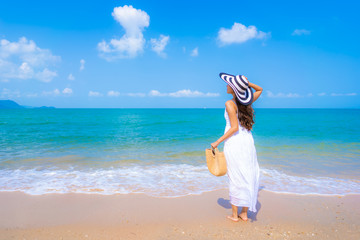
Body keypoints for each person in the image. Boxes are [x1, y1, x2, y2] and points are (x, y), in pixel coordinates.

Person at [211, 73, 263, 222]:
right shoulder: (246, 102)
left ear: (233, 89)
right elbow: (260, 89)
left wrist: (217, 142)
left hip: (235, 143)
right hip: (247, 142)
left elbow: (234, 128)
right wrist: (248, 84)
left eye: (229, 84)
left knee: (235, 176)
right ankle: (244, 214)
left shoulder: (230, 104)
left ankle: (235, 215)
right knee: (246, 174)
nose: (226, 85)